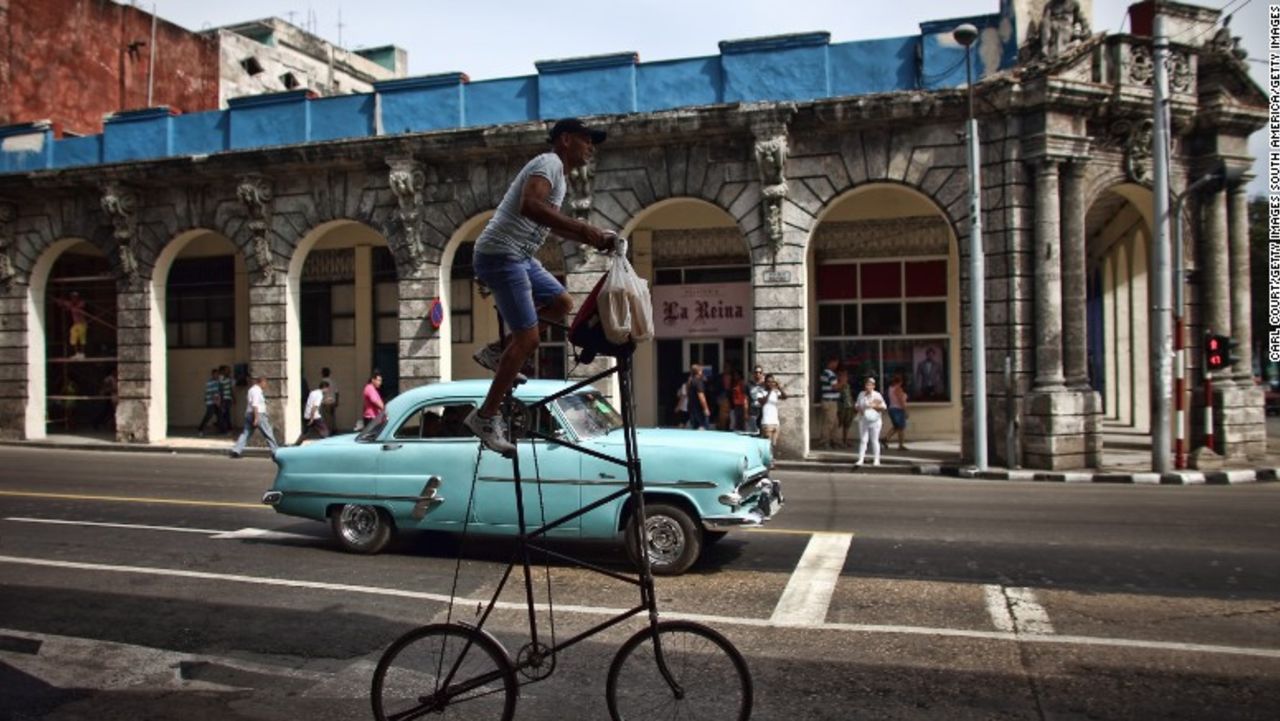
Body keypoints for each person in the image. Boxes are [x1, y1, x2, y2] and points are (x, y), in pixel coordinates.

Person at [464, 117, 616, 455]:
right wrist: (583, 229)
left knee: (562, 303)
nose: (591, 147)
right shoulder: (548, 163)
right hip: (502, 254)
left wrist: (589, 236)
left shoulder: (559, 177)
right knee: (529, 338)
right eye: (586, 139)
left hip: (520, 255)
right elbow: (530, 206)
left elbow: (550, 223)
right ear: (565, 140)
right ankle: (485, 417)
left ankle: (495, 351)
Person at [230, 375, 279, 458]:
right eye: (265, 383)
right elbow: (255, 405)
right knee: (268, 433)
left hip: (249, 414)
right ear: (262, 382)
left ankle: (236, 450)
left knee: (246, 433)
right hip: (258, 414)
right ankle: (275, 451)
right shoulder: (257, 391)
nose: (266, 385)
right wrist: (256, 418)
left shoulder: (251, 390)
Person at [854, 376, 886, 467]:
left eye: (870, 385)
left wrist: (873, 406)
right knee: (863, 440)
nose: (868, 386)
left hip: (874, 421)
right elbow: (857, 405)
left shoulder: (877, 395)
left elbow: (884, 407)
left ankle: (876, 459)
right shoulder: (861, 394)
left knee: (874, 440)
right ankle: (861, 459)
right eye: (867, 384)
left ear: (873, 386)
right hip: (863, 419)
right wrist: (859, 408)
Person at [55, 291, 89, 359]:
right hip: (76, 324)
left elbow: (81, 305)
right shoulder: (71, 304)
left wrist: (70, 306)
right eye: (72, 297)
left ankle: (82, 354)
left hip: (82, 324)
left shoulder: (80, 303)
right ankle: (77, 353)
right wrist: (60, 301)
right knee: (73, 339)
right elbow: (64, 303)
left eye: (75, 297)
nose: (73, 298)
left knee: (82, 339)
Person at [296, 380, 330, 444]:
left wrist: (324, 401)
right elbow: (314, 407)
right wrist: (312, 418)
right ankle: (324, 443)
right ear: (325, 387)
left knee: (306, 432)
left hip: (306, 415)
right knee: (325, 431)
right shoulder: (320, 395)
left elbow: (312, 403)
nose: (327, 391)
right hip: (314, 416)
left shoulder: (313, 392)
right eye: (327, 389)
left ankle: (297, 443)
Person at [759, 374, 788, 451]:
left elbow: (785, 397)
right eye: (768, 382)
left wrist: (779, 387)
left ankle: (771, 459)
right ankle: (768, 460)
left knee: (773, 445)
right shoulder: (761, 392)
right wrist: (770, 391)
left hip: (775, 422)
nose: (770, 383)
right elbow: (762, 402)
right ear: (765, 382)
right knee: (767, 445)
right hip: (766, 422)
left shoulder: (776, 392)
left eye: (772, 382)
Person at [819, 357, 842, 448]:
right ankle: (824, 441)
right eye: (836, 362)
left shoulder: (824, 373)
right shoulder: (830, 374)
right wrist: (843, 382)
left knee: (835, 422)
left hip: (829, 401)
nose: (836, 365)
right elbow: (835, 387)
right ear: (831, 362)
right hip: (830, 401)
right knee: (829, 422)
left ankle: (834, 440)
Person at [885, 373, 910, 450]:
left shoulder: (890, 388)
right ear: (900, 382)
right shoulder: (898, 389)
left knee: (896, 427)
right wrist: (905, 411)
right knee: (901, 428)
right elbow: (901, 400)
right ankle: (901, 445)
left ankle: (885, 439)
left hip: (892, 409)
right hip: (898, 409)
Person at [196, 367, 222, 437]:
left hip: (215, 401)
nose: (217, 376)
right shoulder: (210, 382)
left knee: (220, 415)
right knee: (208, 415)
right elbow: (213, 393)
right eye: (216, 374)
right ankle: (200, 430)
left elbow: (217, 392)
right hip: (211, 402)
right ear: (212, 374)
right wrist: (217, 402)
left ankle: (220, 429)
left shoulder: (217, 382)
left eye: (218, 374)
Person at [686, 364, 711, 430]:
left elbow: (688, 393)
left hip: (692, 407)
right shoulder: (698, 382)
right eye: (701, 371)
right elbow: (701, 397)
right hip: (699, 408)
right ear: (699, 372)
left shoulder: (690, 381)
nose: (702, 372)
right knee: (703, 427)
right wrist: (705, 408)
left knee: (694, 427)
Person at [836, 368, 856, 448]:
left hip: (849, 406)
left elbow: (849, 395)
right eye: (843, 376)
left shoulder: (848, 385)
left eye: (846, 376)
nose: (845, 377)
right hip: (841, 407)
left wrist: (853, 404)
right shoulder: (838, 385)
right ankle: (837, 440)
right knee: (839, 423)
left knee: (847, 424)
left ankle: (845, 439)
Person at [747, 366, 767, 434]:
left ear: (762, 374)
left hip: (764, 411)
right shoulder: (749, 384)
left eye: (760, 372)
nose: (758, 374)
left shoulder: (766, 385)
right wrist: (746, 412)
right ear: (753, 374)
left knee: (763, 432)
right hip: (753, 410)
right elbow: (746, 398)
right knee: (753, 432)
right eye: (756, 372)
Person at [319, 366, 339, 432]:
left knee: (327, 418)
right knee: (332, 417)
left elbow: (321, 393)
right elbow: (337, 392)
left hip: (326, 402)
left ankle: (329, 430)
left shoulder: (323, 382)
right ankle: (334, 429)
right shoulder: (333, 381)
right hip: (333, 401)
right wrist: (337, 401)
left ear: (323, 373)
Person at [218, 365, 234, 435]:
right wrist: (221, 400)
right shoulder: (221, 378)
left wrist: (233, 397)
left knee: (226, 414)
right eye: (227, 370)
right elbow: (220, 389)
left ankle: (227, 429)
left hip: (228, 398)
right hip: (224, 399)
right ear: (223, 371)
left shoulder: (228, 378)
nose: (229, 371)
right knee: (224, 415)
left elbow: (231, 388)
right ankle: (225, 430)